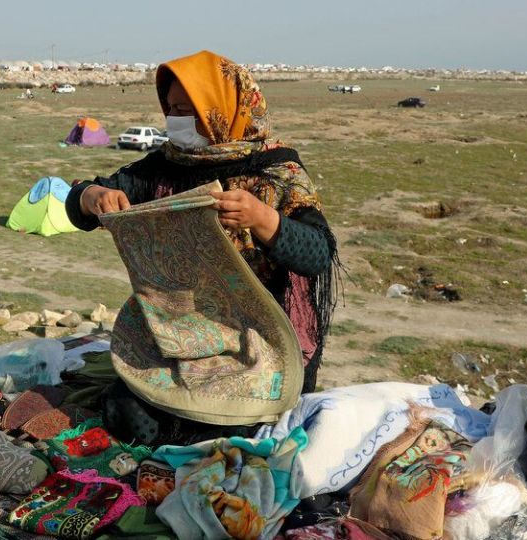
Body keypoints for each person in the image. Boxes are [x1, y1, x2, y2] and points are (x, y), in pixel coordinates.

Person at [66, 50, 337, 445]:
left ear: (222, 108)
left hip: (256, 337)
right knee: (129, 414)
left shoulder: (278, 170)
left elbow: (318, 255)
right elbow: (79, 204)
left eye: (189, 109)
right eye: (171, 108)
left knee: (235, 426)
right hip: (180, 333)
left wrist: (264, 220)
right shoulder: (164, 166)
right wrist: (93, 196)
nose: (176, 120)